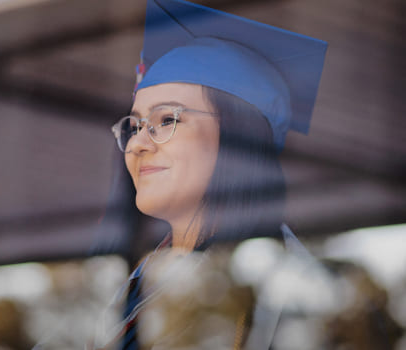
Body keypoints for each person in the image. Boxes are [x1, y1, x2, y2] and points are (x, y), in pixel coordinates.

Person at [86, 0, 334, 349]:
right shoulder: (130, 285)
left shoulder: (282, 287)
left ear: (237, 138)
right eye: (135, 125)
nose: (137, 144)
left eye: (166, 120)